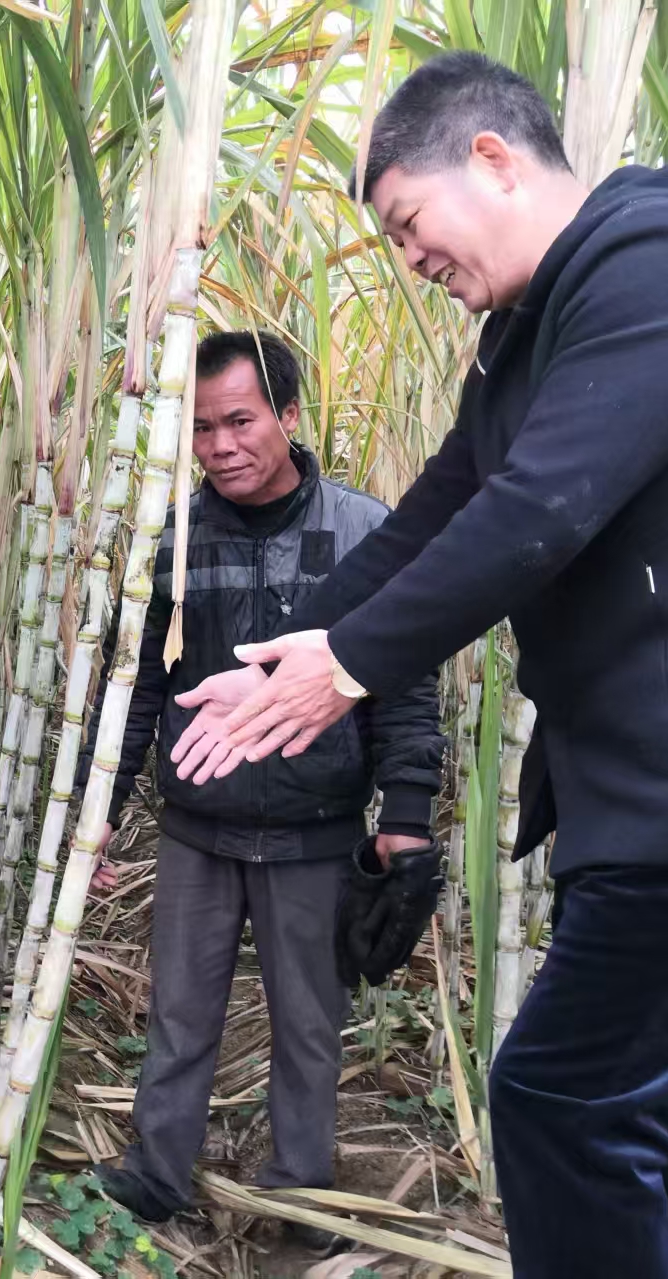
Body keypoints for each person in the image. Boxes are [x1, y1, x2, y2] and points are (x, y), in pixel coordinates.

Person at [172, 53, 668, 1279]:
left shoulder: (663, 262)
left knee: (558, 1099)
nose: (408, 259)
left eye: (407, 222)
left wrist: (347, 670)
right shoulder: (523, 334)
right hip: (648, 796)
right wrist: (290, 649)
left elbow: (540, 509)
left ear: (489, 158)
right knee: (631, 1109)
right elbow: (443, 507)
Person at [82, 331, 444, 1236]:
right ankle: (156, 1173)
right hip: (199, 828)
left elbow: (404, 683)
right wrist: (100, 811)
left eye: (241, 421)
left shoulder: (362, 534)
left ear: (288, 415)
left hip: (315, 829)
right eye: (203, 429)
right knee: (179, 1012)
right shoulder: (174, 537)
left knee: (310, 1026)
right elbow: (137, 685)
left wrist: (404, 816)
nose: (221, 446)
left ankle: (301, 1194)